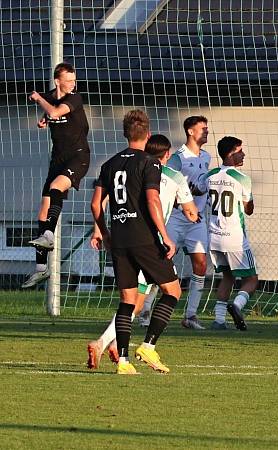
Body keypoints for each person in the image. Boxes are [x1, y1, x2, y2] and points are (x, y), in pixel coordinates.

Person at [86, 134, 198, 369]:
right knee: (168, 292)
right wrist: (184, 220)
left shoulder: (122, 168)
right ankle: (131, 345)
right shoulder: (165, 173)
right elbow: (181, 209)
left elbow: (99, 202)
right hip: (150, 241)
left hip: (121, 238)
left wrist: (100, 230)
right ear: (166, 155)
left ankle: (119, 352)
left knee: (131, 299)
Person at [23, 62, 91, 288]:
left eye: (74, 79)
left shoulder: (74, 98)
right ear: (58, 81)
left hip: (78, 157)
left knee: (55, 188)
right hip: (58, 159)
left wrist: (41, 104)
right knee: (43, 210)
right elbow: (49, 108)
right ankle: (41, 269)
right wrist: (44, 116)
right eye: (69, 80)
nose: (74, 84)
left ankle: (49, 236)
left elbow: (54, 110)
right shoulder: (52, 95)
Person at [206, 136, 257, 331]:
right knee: (251, 279)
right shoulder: (242, 178)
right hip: (235, 237)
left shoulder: (209, 175)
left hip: (214, 237)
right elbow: (249, 209)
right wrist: (248, 199)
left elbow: (200, 192)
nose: (243, 154)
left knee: (227, 276)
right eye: (240, 150)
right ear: (231, 153)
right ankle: (237, 305)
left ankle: (219, 320)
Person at [166, 116, 212, 330]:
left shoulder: (207, 156)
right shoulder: (178, 158)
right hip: (176, 217)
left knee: (201, 263)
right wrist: (185, 201)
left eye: (207, 128)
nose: (206, 131)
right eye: (202, 128)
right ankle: (145, 309)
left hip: (197, 220)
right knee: (162, 261)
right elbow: (167, 184)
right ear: (190, 132)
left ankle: (191, 315)